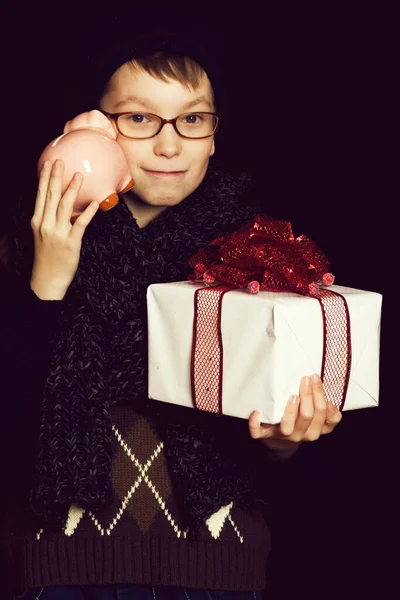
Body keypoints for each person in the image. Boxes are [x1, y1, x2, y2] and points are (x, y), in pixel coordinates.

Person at [0, 17, 342, 600]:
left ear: (213, 133)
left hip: (216, 566)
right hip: (60, 567)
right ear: (93, 129)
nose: (168, 144)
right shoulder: (24, 241)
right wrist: (47, 284)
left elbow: (299, 467)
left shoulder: (259, 253)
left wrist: (287, 439)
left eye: (192, 119)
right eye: (138, 118)